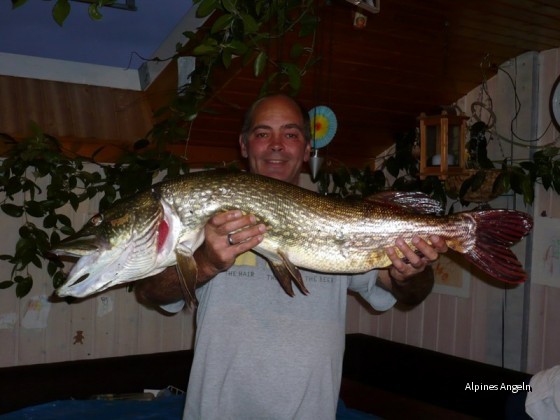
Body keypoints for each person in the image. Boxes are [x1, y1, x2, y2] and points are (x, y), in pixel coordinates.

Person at [135, 93, 448, 419]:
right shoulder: (208, 216)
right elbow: (151, 292)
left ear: (307, 148)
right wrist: (206, 263)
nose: (276, 144)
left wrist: (410, 272)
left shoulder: (342, 221)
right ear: (244, 146)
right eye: (262, 133)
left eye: (290, 134)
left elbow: (411, 293)